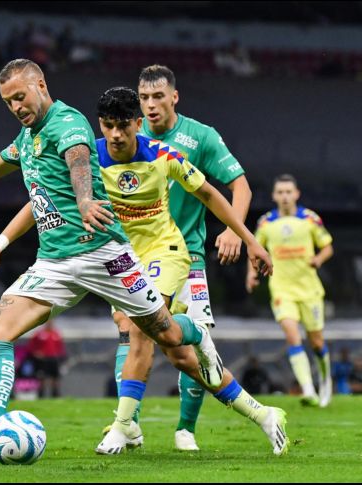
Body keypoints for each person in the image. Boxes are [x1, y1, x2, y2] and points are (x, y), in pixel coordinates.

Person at [0, 59, 279, 458]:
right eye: (8, 102)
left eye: (20, 97)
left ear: (40, 84)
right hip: (55, 262)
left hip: (103, 254)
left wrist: (85, 198)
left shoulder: (67, 122)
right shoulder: (27, 138)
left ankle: (195, 338)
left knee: (170, 338)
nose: (16, 107)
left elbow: (78, 160)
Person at [93, 87, 287, 455]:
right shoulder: (88, 158)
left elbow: (212, 194)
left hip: (167, 251)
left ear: (136, 125)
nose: (116, 135)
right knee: (178, 352)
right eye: (108, 126)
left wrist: (249, 239)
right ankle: (263, 413)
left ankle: (124, 425)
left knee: (139, 328)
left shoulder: (166, 155)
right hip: (122, 258)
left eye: (122, 126)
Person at [130, 64, 256, 452]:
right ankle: (127, 424)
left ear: (174, 97)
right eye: (144, 98)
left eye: (157, 97)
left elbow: (240, 186)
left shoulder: (200, 136)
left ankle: (185, 429)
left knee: (197, 341)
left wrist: (235, 229)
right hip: (137, 255)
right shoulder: (128, 137)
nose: (150, 106)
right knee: (133, 336)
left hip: (187, 256)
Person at [247, 174, 335, 409]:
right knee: (292, 335)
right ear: (275, 196)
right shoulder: (266, 222)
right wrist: (251, 274)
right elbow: (255, 249)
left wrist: (318, 259)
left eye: (289, 192)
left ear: (296, 194)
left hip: (309, 290)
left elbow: (328, 247)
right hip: (281, 288)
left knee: (316, 342)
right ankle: (308, 390)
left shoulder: (309, 219)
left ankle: (325, 382)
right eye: (280, 192)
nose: (285, 196)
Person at [26, 320, 66, 398]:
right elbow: (31, 346)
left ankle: (55, 394)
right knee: (42, 377)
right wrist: (36, 353)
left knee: (55, 377)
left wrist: (60, 356)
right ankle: (41, 394)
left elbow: (60, 347)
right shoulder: (39, 334)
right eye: (48, 323)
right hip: (43, 360)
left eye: (51, 323)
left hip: (54, 359)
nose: (50, 324)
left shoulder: (56, 334)